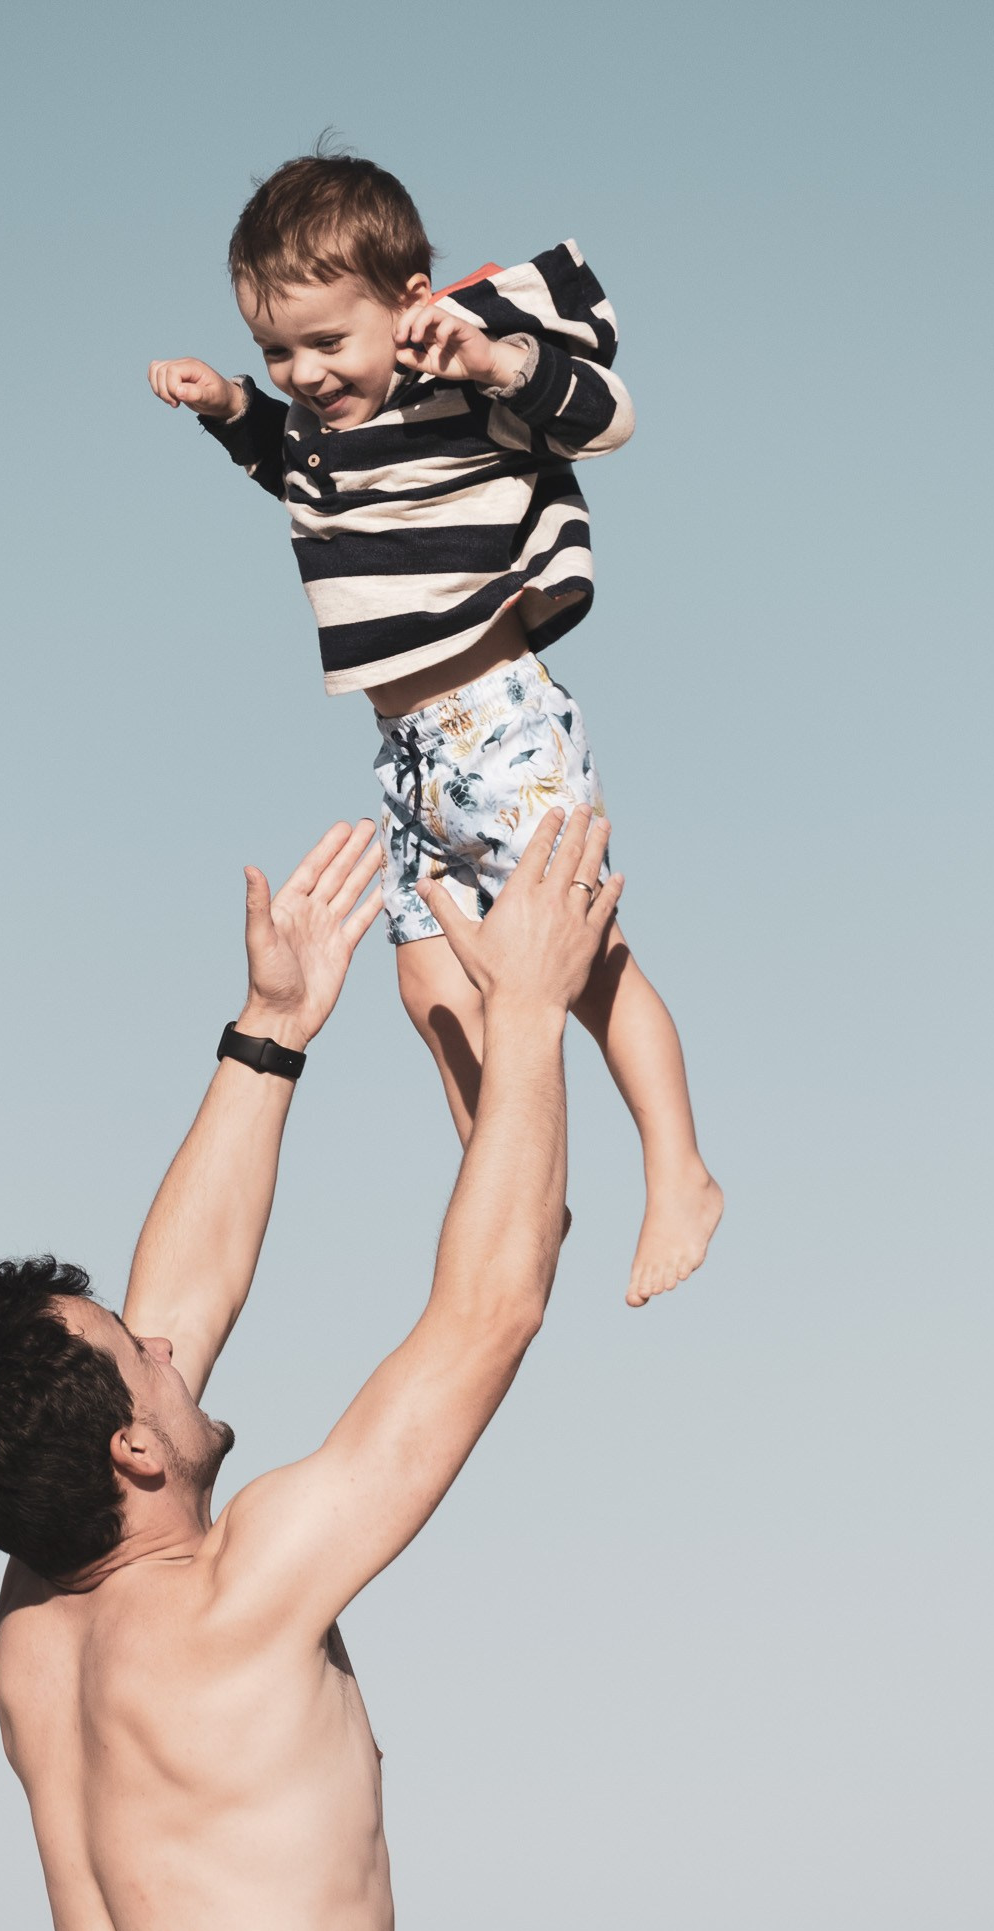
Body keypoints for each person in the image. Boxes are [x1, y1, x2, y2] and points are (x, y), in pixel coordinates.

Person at [0, 807, 621, 1931]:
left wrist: (271, 1031)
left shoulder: (39, 1625)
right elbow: (490, 1313)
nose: (167, 1337)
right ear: (132, 1450)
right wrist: (530, 1011)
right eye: (141, 1351)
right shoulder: (236, 1600)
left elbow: (169, 1318)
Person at [148, 149, 722, 1307]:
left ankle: (679, 1169)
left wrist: (497, 356)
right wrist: (228, 411)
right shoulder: (326, 424)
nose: (303, 372)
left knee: (582, 963)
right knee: (427, 988)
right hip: (407, 756)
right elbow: (302, 476)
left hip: (498, 723)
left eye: (325, 342)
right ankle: (514, 1185)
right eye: (277, 350)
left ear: (407, 304)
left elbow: (603, 417)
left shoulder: (457, 378)